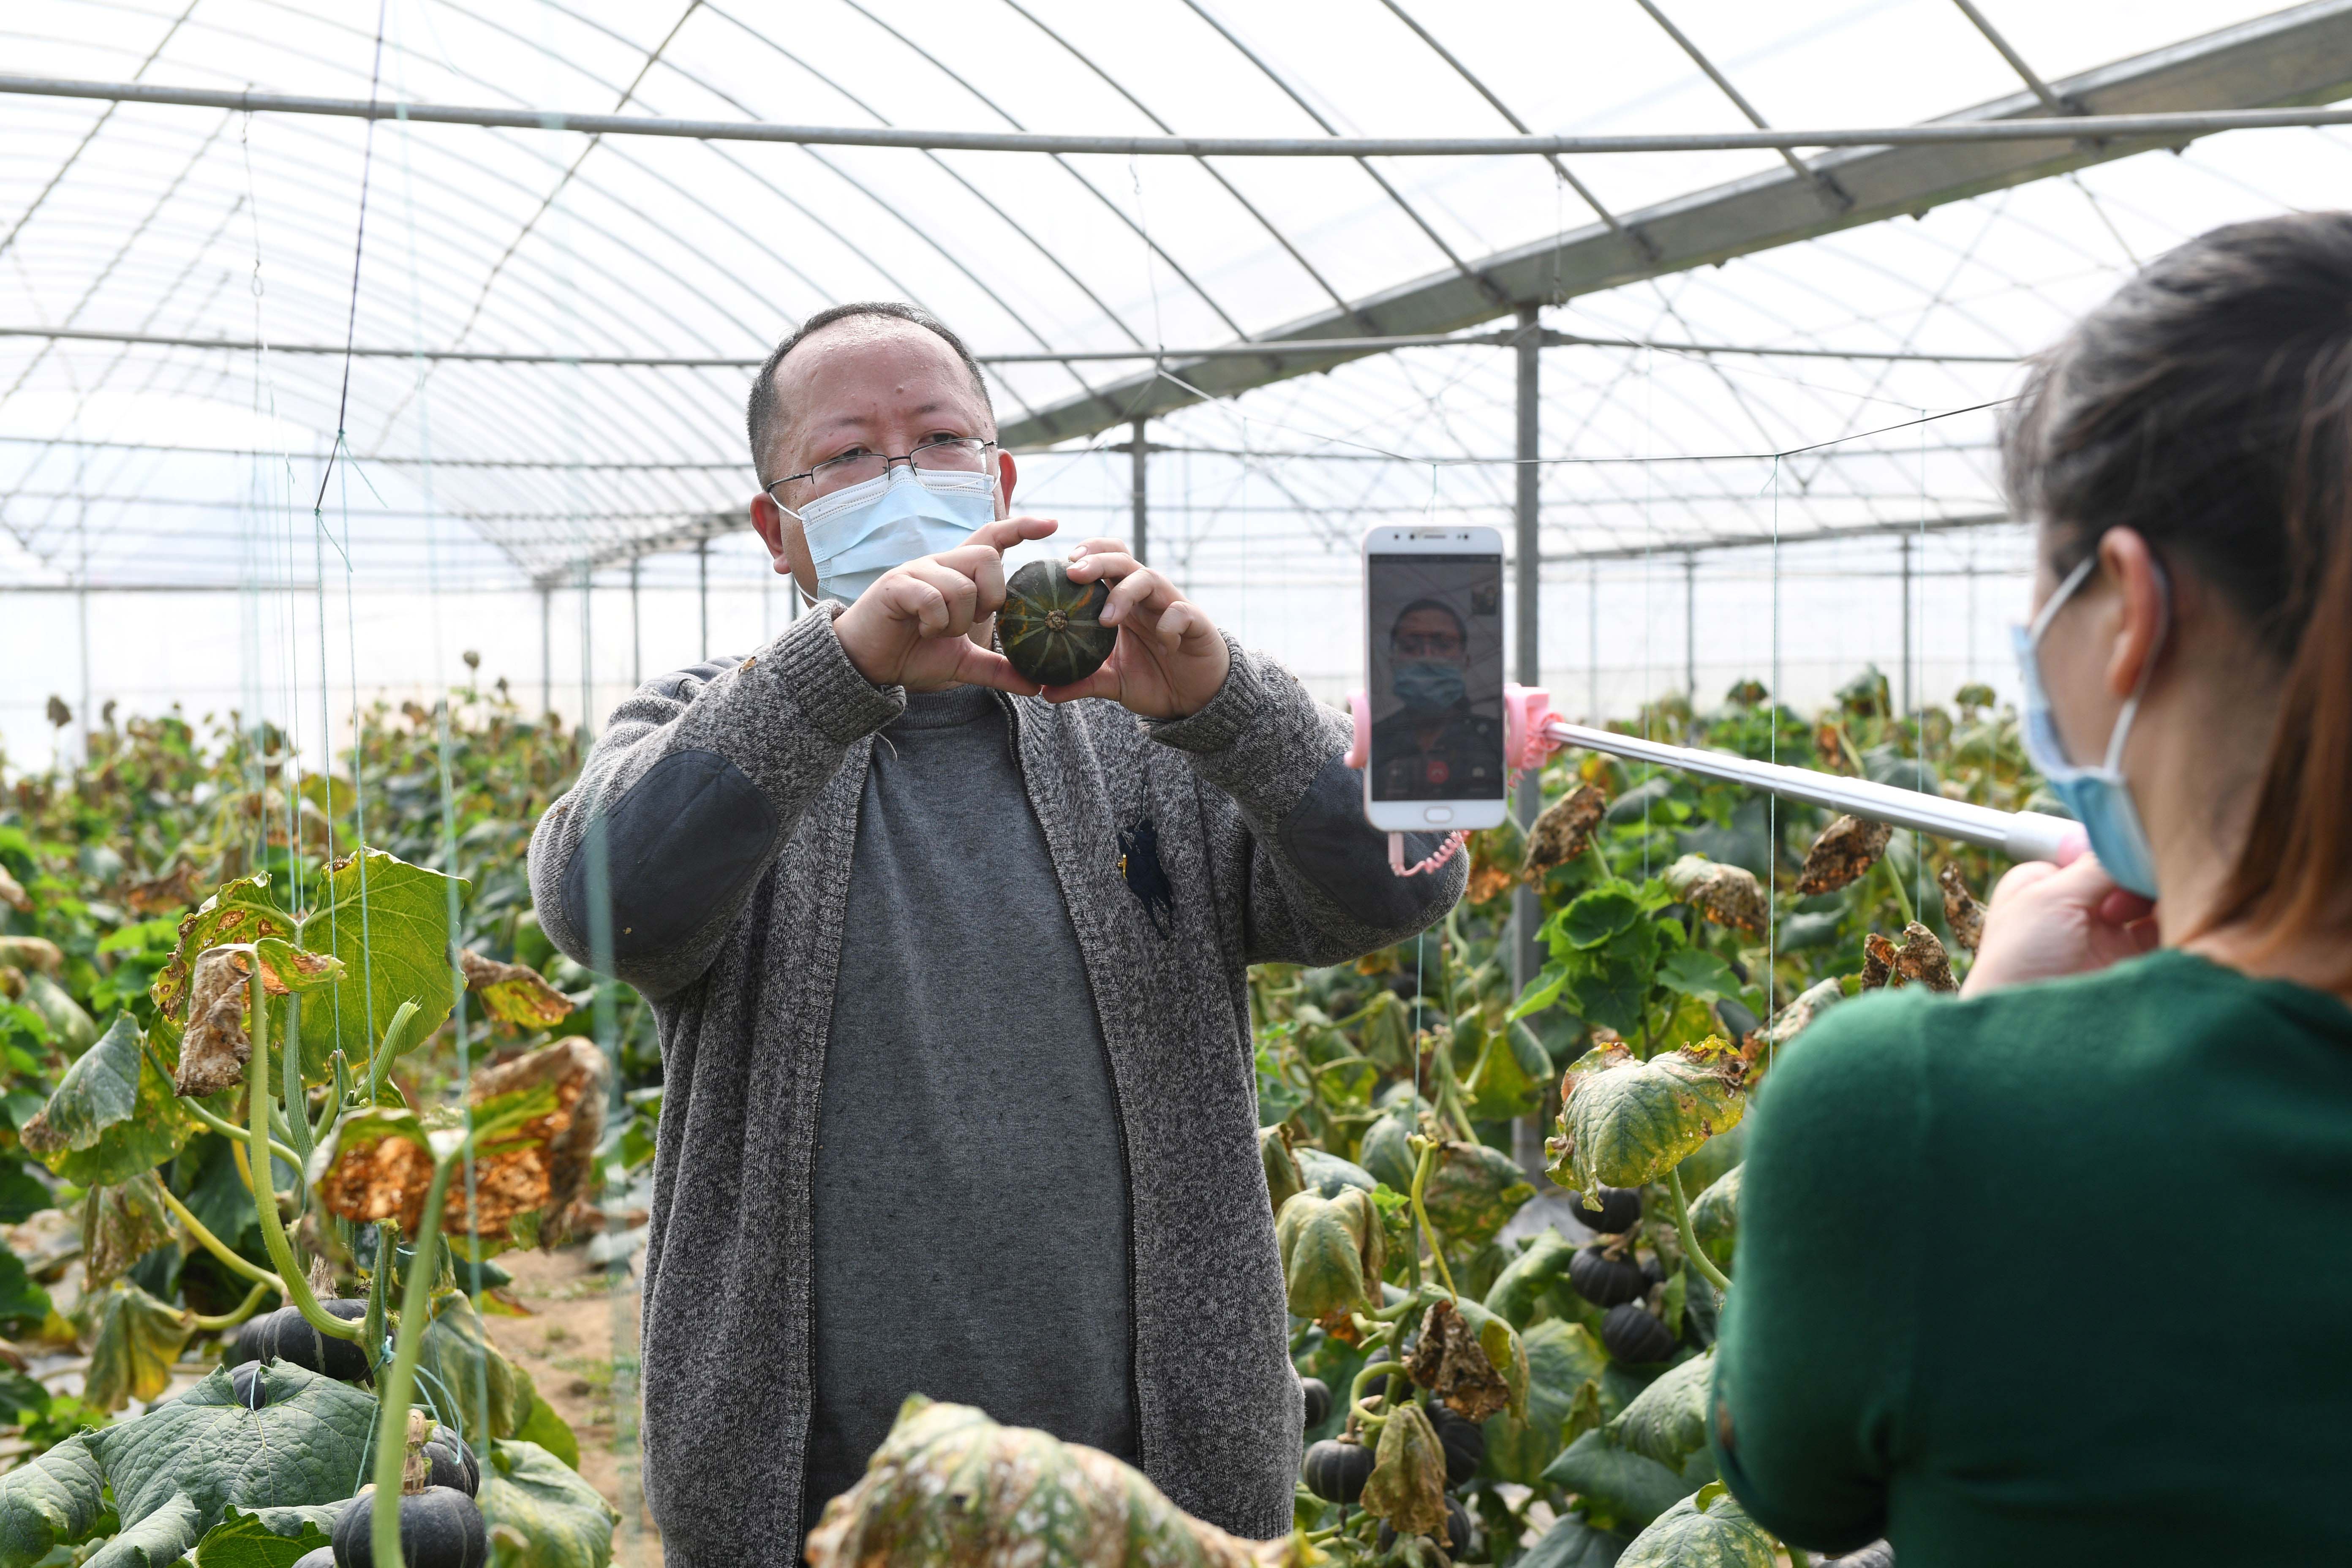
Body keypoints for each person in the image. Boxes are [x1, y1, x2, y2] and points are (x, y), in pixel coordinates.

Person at [526, 301, 1464, 1566]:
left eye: (939, 439)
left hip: (1156, 1493)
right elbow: (601, 897)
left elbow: (1402, 888)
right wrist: (834, 672)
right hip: (806, 1501)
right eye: (847, 456)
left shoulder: (1149, 732)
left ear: (1002, 479)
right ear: (777, 530)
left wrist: (1226, 701)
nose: (902, 478)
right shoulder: (716, 723)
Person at [1709, 214, 2352, 1565]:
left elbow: (1791, 1481)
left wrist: (1992, 1027)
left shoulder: (1902, 1112)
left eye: (2041, 584)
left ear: (2125, 606)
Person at [1369, 599, 1504, 800]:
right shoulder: (1374, 741)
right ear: (1393, 661)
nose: (1427, 657)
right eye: (1411, 645)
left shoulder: (1495, 740)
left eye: (1443, 644)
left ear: (1465, 660)